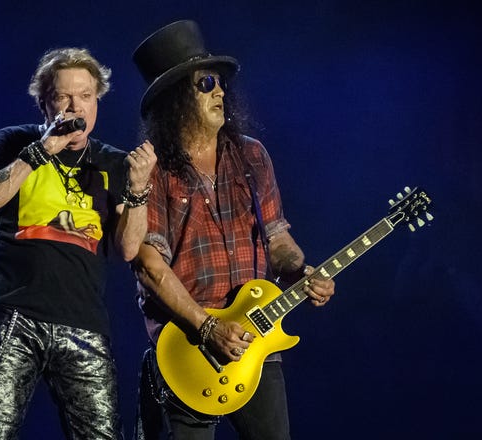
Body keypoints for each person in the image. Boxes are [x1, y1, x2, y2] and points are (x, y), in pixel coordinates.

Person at [130, 21, 335, 440]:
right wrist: (206, 327)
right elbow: (149, 266)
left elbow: (277, 240)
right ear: (175, 99)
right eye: (206, 83)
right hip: (188, 347)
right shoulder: (154, 172)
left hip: (255, 342)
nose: (220, 91)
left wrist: (301, 271)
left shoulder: (252, 156)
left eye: (220, 83)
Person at [0, 47, 156, 439]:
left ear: (97, 101)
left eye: (86, 96)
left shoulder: (112, 163)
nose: (76, 108)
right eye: (63, 97)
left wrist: (138, 191)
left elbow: (128, 249)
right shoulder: (14, 141)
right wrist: (40, 152)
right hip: (13, 316)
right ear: (44, 103)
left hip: (83, 325)